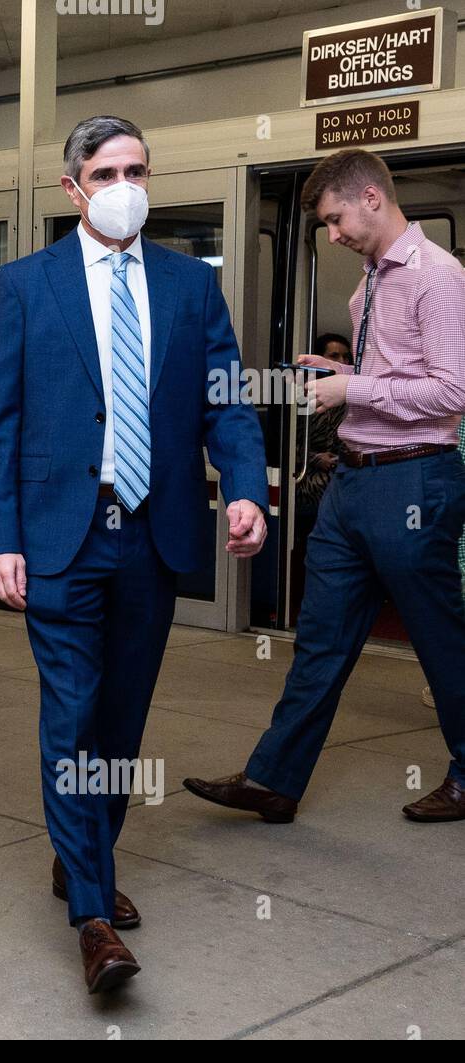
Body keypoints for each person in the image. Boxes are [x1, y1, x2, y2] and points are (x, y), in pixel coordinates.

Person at [0, 116, 268, 993]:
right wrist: (0, 541)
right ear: (74, 189)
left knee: (122, 718)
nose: (125, 184)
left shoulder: (190, 285)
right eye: (106, 172)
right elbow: (0, 428)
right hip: (63, 534)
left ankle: (82, 856)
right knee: (71, 713)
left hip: (152, 533)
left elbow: (226, 397)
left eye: (138, 169)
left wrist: (247, 483)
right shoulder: (31, 285)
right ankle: (94, 916)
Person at [186, 148, 465, 823]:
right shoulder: (364, 287)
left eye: (336, 220)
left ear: (371, 196)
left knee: (439, 639)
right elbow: (398, 376)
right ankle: (273, 780)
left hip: (415, 478)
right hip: (352, 483)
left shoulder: (440, 277)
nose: (332, 235)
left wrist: (352, 386)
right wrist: (334, 374)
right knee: (321, 636)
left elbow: (452, 391)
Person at [290, 333, 352, 612]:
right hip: (308, 474)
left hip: (344, 468)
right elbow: (289, 444)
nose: (339, 361)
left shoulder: (350, 397)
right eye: (333, 356)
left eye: (345, 357)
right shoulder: (302, 396)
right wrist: (316, 458)